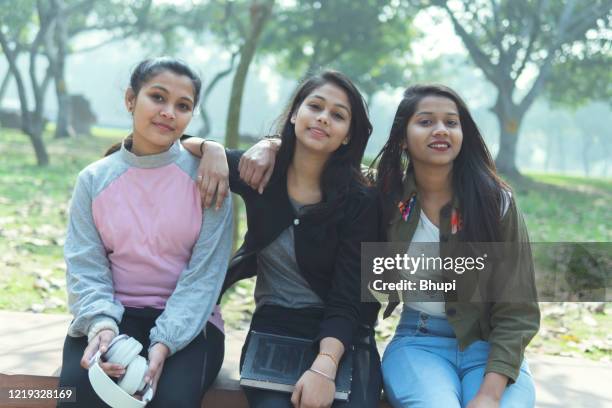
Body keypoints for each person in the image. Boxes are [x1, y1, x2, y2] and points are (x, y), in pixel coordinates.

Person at [184, 70, 383, 408]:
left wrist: (324, 365)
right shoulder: (260, 172)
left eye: (338, 115)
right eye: (315, 106)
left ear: (349, 135)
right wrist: (212, 148)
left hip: (343, 331)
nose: (323, 118)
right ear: (294, 114)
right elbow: (176, 140)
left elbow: (350, 296)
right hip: (276, 323)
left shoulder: (361, 200)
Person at [57, 57, 233, 408]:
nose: (169, 112)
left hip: (190, 326)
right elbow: (85, 264)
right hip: (111, 314)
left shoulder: (209, 180)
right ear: (130, 100)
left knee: (169, 400)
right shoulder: (94, 180)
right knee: (76, 398)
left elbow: (204, 277)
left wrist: (164, 342)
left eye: (182, 106)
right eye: (158, 97)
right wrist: (101, 327)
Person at [371, 84, 540, 408]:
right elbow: (326, 175)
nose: (440, 130)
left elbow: (519, 309)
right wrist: (271, 145)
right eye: (425, 122)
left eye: (451, 122)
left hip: (489, 347)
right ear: (403, 138)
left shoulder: (496, 203)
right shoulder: (384, 198)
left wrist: (490, 395)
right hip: (418, 345)